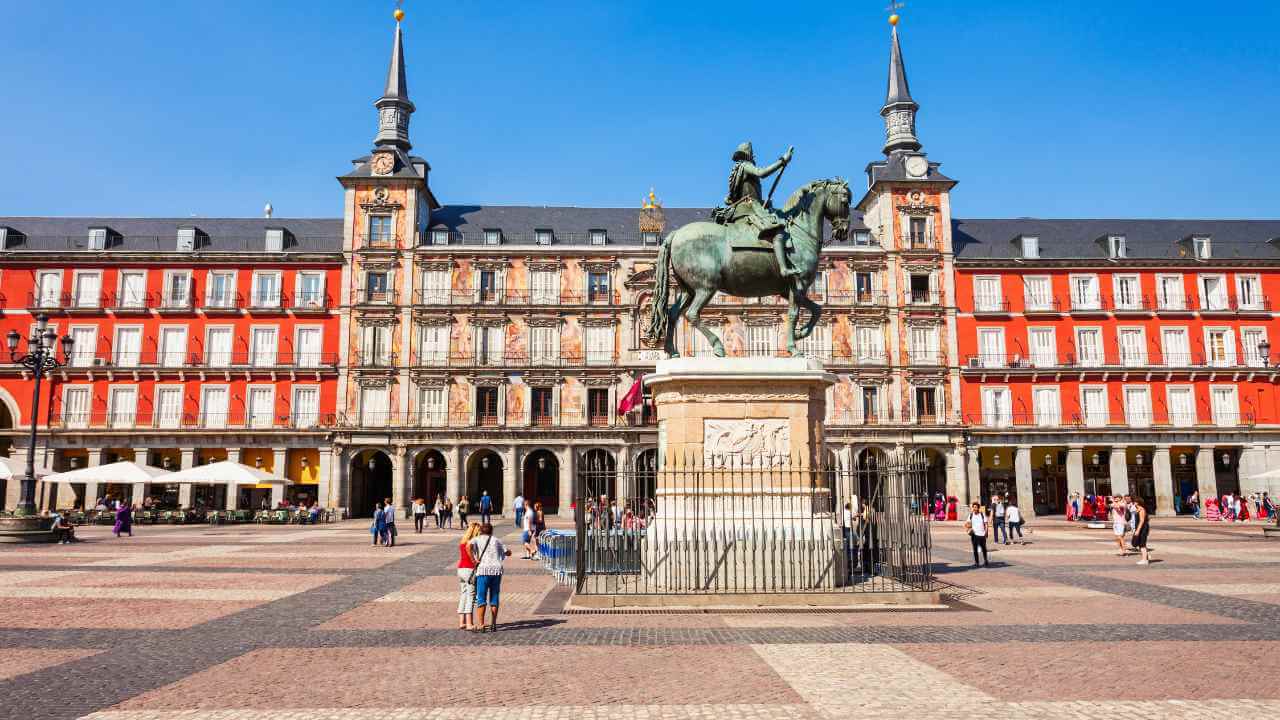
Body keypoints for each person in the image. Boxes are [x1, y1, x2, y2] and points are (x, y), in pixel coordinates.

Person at [715, 141, 798, 279]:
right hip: (750, 208)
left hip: (743, 208)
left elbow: (734, 197)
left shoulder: (737, 170)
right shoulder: (746, 166)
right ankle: (783, 268)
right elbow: (762, 173)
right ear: (748, 154)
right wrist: (782, 161)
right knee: (778, 231)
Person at [469, 522, 511, 632]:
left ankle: (481, 624)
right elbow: (507, 552)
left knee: (481, 597)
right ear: (491, 531)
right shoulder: (497, 540)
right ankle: (493, 623)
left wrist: (473, 560)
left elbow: (468, 546)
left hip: (483, 570)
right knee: (494, 596)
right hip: (496, 571)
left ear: (481, 531)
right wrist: (507, 552)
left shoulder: (477, 539)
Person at [456, 522, 481, 630]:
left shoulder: (462, 542)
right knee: (471, 596)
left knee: (463, 594)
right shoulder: (473, 543)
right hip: (469, 570)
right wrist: (475, 561)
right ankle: (469, 623)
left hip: (460, 569)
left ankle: (462, 622)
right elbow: (474, 556)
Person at [965, 502, 989, 568]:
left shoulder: (982, 514)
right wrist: (968, 529)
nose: (974, 508)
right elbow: (967, 523)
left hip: (982, 534)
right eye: (973, 507)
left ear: (978, 508)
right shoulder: (971, 515)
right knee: (975, 549)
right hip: (974, 534)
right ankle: (977, 562)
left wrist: (986, 532)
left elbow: (986, 524)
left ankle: (985, 560)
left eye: (976, 507)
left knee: (984, 548)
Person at [1132, 496, 1151, 565]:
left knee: (1142, 544)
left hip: (1142, 528)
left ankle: (1144, 560)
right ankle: (1146, 557)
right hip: (1141, 528)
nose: (1134, 503)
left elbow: (1142, 521)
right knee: (1141, 544)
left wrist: (1138, 530)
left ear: (1138, 502)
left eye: (1135, 502)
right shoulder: (1138, 509)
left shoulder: (1141, 510)